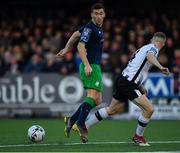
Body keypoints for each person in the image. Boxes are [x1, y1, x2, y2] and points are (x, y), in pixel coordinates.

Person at [83, 32, 170, 146]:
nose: (162, 46)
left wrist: (140, 85)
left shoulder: (143, 48)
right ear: (161, 43)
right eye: (163, 44)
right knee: (149, 109)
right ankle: (138, 136)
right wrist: (161, 67)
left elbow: (136, 66)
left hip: (123, 79)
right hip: (129, 83)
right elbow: (150, 56)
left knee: (111, 109)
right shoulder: (153, 48)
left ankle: (85, 126)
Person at [56, 3, 105, 143]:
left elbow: (75, 35)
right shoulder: (90, 28)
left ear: (104, 14)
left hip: (95, 66)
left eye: (101, 13)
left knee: (98, 100)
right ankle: (80, 123)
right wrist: (87, 64)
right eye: (95, 13)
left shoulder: (91, 28)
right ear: (91, 14)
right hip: (90, 66)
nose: (98, 16)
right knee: (92, 96)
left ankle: (71, 120)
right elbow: (80, 45)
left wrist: (66, 49)